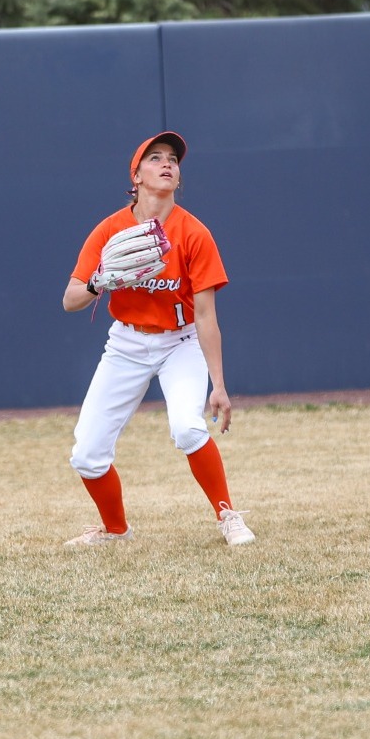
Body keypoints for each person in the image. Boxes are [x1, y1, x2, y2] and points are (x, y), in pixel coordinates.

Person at [60, 131, 255, 547]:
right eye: (155, 158)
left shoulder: (193, 233)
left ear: (178, 177)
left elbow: (206, 315)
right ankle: (116, 531)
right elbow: (70, 300)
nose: (167, 163)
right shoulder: (110, 229)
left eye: (173, 159)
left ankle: (228, 515)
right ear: (136, 175)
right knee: (86, 455)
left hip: (179, 343)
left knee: (187, 428)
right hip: (126, 344)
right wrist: (98, 282)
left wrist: (219, 385)